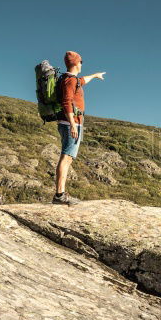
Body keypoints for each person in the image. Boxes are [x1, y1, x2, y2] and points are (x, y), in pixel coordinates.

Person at [53, 51, 105, 205]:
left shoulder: (71, 79)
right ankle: (59, 195)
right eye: (81, 62)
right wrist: (73, 124)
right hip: (71, 123)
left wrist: (95, 75)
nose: (82, 64)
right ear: (76, 63)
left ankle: (60, 194)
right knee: (66, 157)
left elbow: (81, 81)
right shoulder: (69, 80)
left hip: (70, 122)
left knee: (68, 158)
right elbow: (66, 102)